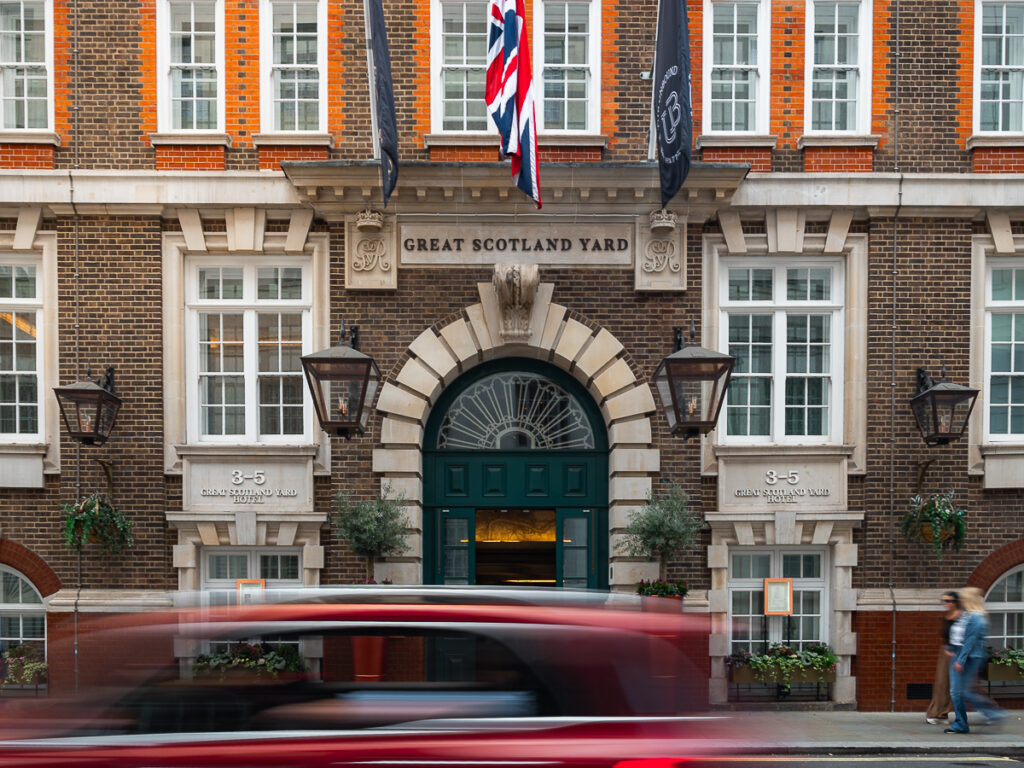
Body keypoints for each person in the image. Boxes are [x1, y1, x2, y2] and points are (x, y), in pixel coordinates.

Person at [945, 586, 1006, 734]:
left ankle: (990, 714)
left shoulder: (977, 617)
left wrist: (961, 660)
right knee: (958, 691)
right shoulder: (966, 615)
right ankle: (963, 723)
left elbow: (970, 640)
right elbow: (958, 635)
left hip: (970, 656)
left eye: (962, 598)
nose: (960, 601)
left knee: (960, 691)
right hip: (960, 654)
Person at [925, 591, 958, 725]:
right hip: (946, 652)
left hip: (956, 652)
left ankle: (991, 711)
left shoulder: (961, 617)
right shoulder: (947, 617)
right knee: (942, 683)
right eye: (944, 601)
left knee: (964, 686)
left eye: (949, 601)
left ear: (956, 602)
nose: (946, 604)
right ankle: (938, 713)